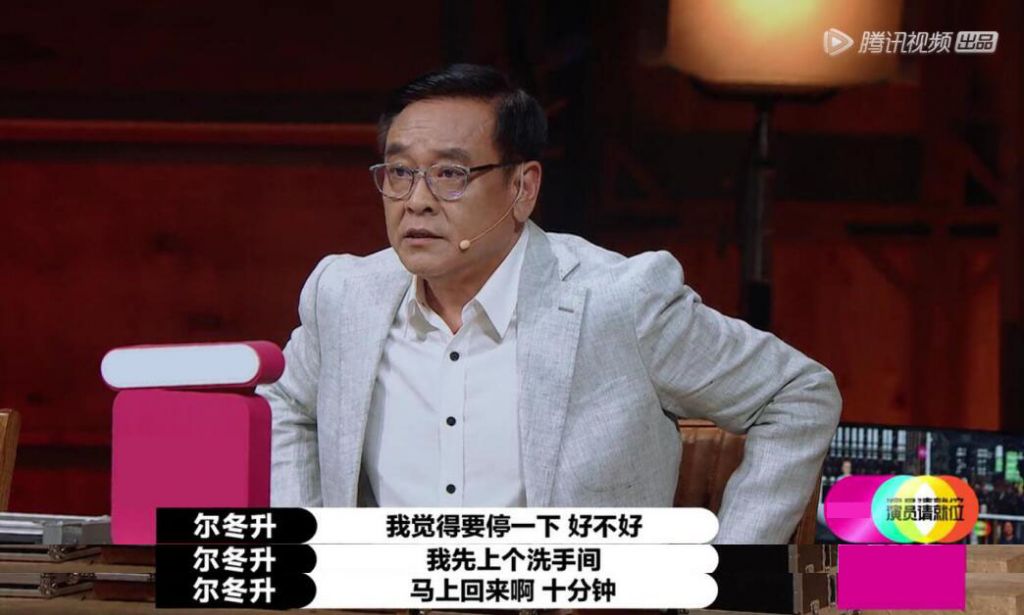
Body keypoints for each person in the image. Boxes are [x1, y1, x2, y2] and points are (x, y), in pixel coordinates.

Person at [257, 63, 842, 544]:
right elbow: (283, 404)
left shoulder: (618, 300)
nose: (417, 201)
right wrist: (309, 552)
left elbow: (797, 393)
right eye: (400, 172)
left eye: (450, 174)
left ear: (523, 188)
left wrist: (731, 573)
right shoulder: (346, 296)